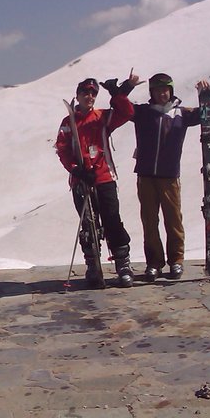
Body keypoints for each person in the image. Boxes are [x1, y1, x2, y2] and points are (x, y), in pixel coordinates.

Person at [55, 74, 138, 288]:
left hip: (103, 176)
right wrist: (75, 169)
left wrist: (118, 94)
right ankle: (92, 265)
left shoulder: (102, 117)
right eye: (86, 92)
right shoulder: (68, 122)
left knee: (112, 219)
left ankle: (123, 265)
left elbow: (127, 113)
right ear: (78, 95)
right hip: (81, 180)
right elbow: (63, 149)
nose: (89, 96)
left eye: (93, 93)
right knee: (88, 224)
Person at [131, 72, 210, 281]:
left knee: (173, 219)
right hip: (146, 176)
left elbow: (208, 114)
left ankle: (176, 260)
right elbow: (122, 108)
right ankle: (154, 263)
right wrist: (124, 88)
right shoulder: (143, 112)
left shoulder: (181, 114)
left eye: (165, 89)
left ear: (171, 91)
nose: (162, 94)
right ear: (152, 92)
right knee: (149, 221)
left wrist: (206, 94)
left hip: (169, 177)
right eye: (157, 90)